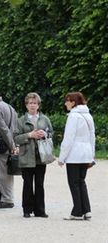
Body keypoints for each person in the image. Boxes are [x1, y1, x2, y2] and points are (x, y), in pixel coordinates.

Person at [14, 92, 52, 218]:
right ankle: (27, 209)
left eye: (35, 103)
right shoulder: (20, 121)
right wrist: (29, 135)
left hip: (41, 156)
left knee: (40, 184)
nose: (32, 105)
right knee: (28, 184)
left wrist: (44, 134)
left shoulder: (45, 119)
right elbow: (15, 138)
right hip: (26, 156)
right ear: (26, 105)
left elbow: (51, 133)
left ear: (38, 105)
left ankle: (40, 210)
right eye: (30, 103)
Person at [58, 92, 95, 220]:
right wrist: (92, 155)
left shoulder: (73, 116)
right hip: (86, 153)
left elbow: (68, 138)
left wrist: (62, 157)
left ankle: (77, 211)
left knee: (73, 183)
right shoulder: (88, 115)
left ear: (73, 102)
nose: (65, 103)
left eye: (67, 101)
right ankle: (87, 210)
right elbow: (92, 137)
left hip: (75, 154)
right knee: (81, 182)